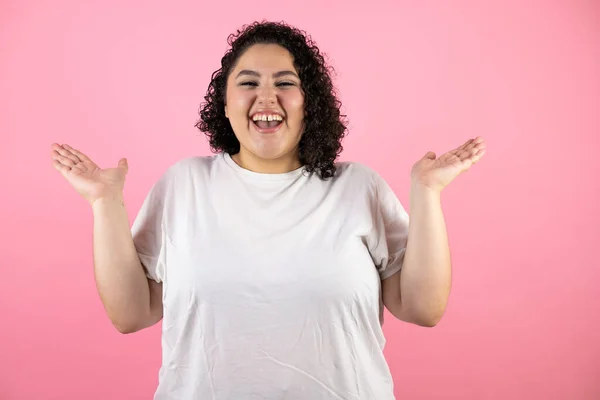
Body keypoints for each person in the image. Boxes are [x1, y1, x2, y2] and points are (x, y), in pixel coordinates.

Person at [50, 20, 486, 400]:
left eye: (284, 82)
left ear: (308, 102)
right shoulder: (184, 185)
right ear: (224, 104)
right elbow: (131, 313)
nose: (266, 97)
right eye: (248, 82)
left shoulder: (359, 187)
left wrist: (426, 193)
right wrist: (104, 203)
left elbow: (423, 308)